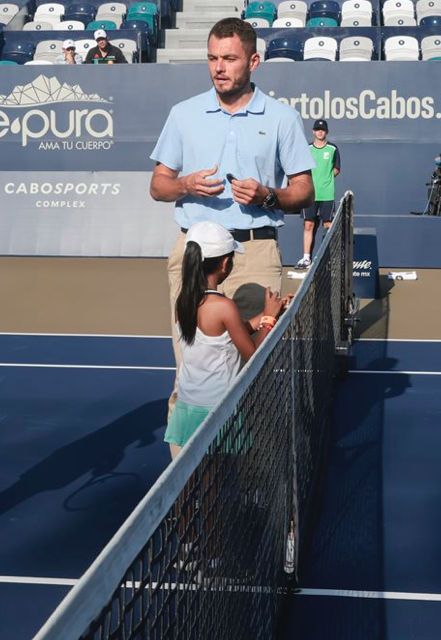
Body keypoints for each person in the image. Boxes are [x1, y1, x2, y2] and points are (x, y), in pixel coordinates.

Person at [149, 17, 315, 421]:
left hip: (256, 251)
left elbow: (304, 193)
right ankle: (186, 482)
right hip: (193, 257)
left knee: (251, 372)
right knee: (191, 375)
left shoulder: (282, 118)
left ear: (253, 61)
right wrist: (185, 184)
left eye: (229, 58)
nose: (219, 67)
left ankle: (246, 477)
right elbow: (158, 186)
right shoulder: (183, 114)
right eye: (212, 58)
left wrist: (267, 195)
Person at [166, 221, 289, 458]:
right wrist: (270, 319)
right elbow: (253, 357)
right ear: (225, 263)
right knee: (219, 477)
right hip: (218, 411)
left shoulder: (183, 301)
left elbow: (226, 333)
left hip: (188, 408)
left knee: (194, 480)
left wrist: (268, 313)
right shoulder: (224, 306)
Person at [295, 119, 341, 269]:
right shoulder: (307, 148)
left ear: (326, 132)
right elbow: (301, 168)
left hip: (327, 194)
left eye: (323, 130)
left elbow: (336, 169)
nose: (320, 132)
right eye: (317, 129)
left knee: (328, 225)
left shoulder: (333, 149)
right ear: (313, 132)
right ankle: (306, 258)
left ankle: (329, 258)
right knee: (308, 224)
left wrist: (325, 181)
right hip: (310, 194)